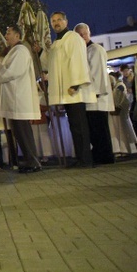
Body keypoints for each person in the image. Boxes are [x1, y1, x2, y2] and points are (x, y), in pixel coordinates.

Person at [39, 12, 96, 167]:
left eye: (59, 20)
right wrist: (39, 51)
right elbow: (50, 64)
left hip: (74, 91)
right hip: (67, 93)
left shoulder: (73, 38)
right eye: (53, 21)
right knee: (74, 126)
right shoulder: (57, 43)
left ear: (66, 21)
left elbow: (78, 60)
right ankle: (80, 158)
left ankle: (86, 159)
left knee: (80, 126)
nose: (56, 23)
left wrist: (75, 84)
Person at [0, 25, 42, 173]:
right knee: (19, 132)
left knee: (23, 132)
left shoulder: (20, 51)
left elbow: (13, 72)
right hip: (14, 98)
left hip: (18, 98)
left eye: (9, 33)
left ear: (18, 36)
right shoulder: (14, 51)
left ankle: (33, 161)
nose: (6, 36)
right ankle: (29, 160)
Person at [74, 23, 115, 165]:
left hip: (97, 97)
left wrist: (96, 92)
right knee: (94, 130)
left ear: (89, 34)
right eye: (79, 35)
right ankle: (99, 154)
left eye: (84, 34)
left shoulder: (95, 49)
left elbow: (97, 73)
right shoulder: (84, 50)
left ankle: (106, 156)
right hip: (89, 97)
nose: (82, 37)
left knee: (100, 129)